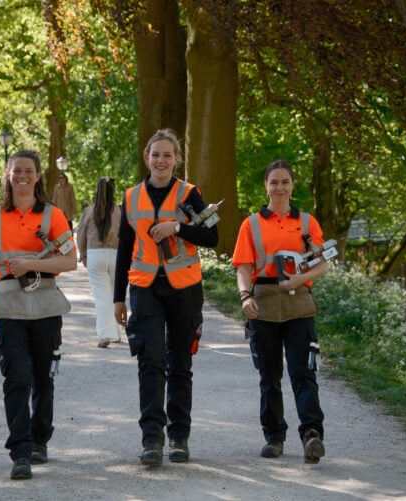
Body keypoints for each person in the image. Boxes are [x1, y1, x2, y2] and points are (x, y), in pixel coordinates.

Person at [113, 128, 218, 466]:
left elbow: (213, 236)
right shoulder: (130, 197)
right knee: (151, 362)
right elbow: (124, 250)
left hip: (185, 288)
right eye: (155, 154)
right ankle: (152, 439)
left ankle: (179, 437)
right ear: (147, 157)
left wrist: (177, 227)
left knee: (180, 364)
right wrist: (118, 298)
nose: (161, 160)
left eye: (167, 155)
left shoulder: (191, 194)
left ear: (176, 160)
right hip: (144, 289)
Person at [0, 149, 78, 480]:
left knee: (43, 377)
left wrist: (31, 263)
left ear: (38, 176)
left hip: (46, 305)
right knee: (16, 378)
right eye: (16, 170)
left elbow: (69, 261)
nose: (22, 175)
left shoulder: (53, 216)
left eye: (29, 171)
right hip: (8, 306)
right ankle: (20, 451)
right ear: (8, 175)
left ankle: (40, 439)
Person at [231, 159, 327, 464]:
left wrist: (300, 278)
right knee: (269, 375)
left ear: (292, 185)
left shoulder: (308, 222)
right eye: (274, 182)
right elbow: (244, 266)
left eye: (285, 182)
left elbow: (322, 262)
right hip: (264, 302)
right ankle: (274, 437)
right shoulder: (251, 224)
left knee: (304, 372)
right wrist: (245, 297)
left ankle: (311, 434)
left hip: (300, 302)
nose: (279, 187)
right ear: (266, 186)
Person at [76, 176, 122, 348]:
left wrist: (83, 255)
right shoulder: (119, 211)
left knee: (102, 296)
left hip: (95, 254)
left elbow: (81, 235)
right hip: (116, 254)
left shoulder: (89, 211)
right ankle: (116, 333)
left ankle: (106, 334)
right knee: (115, 295)